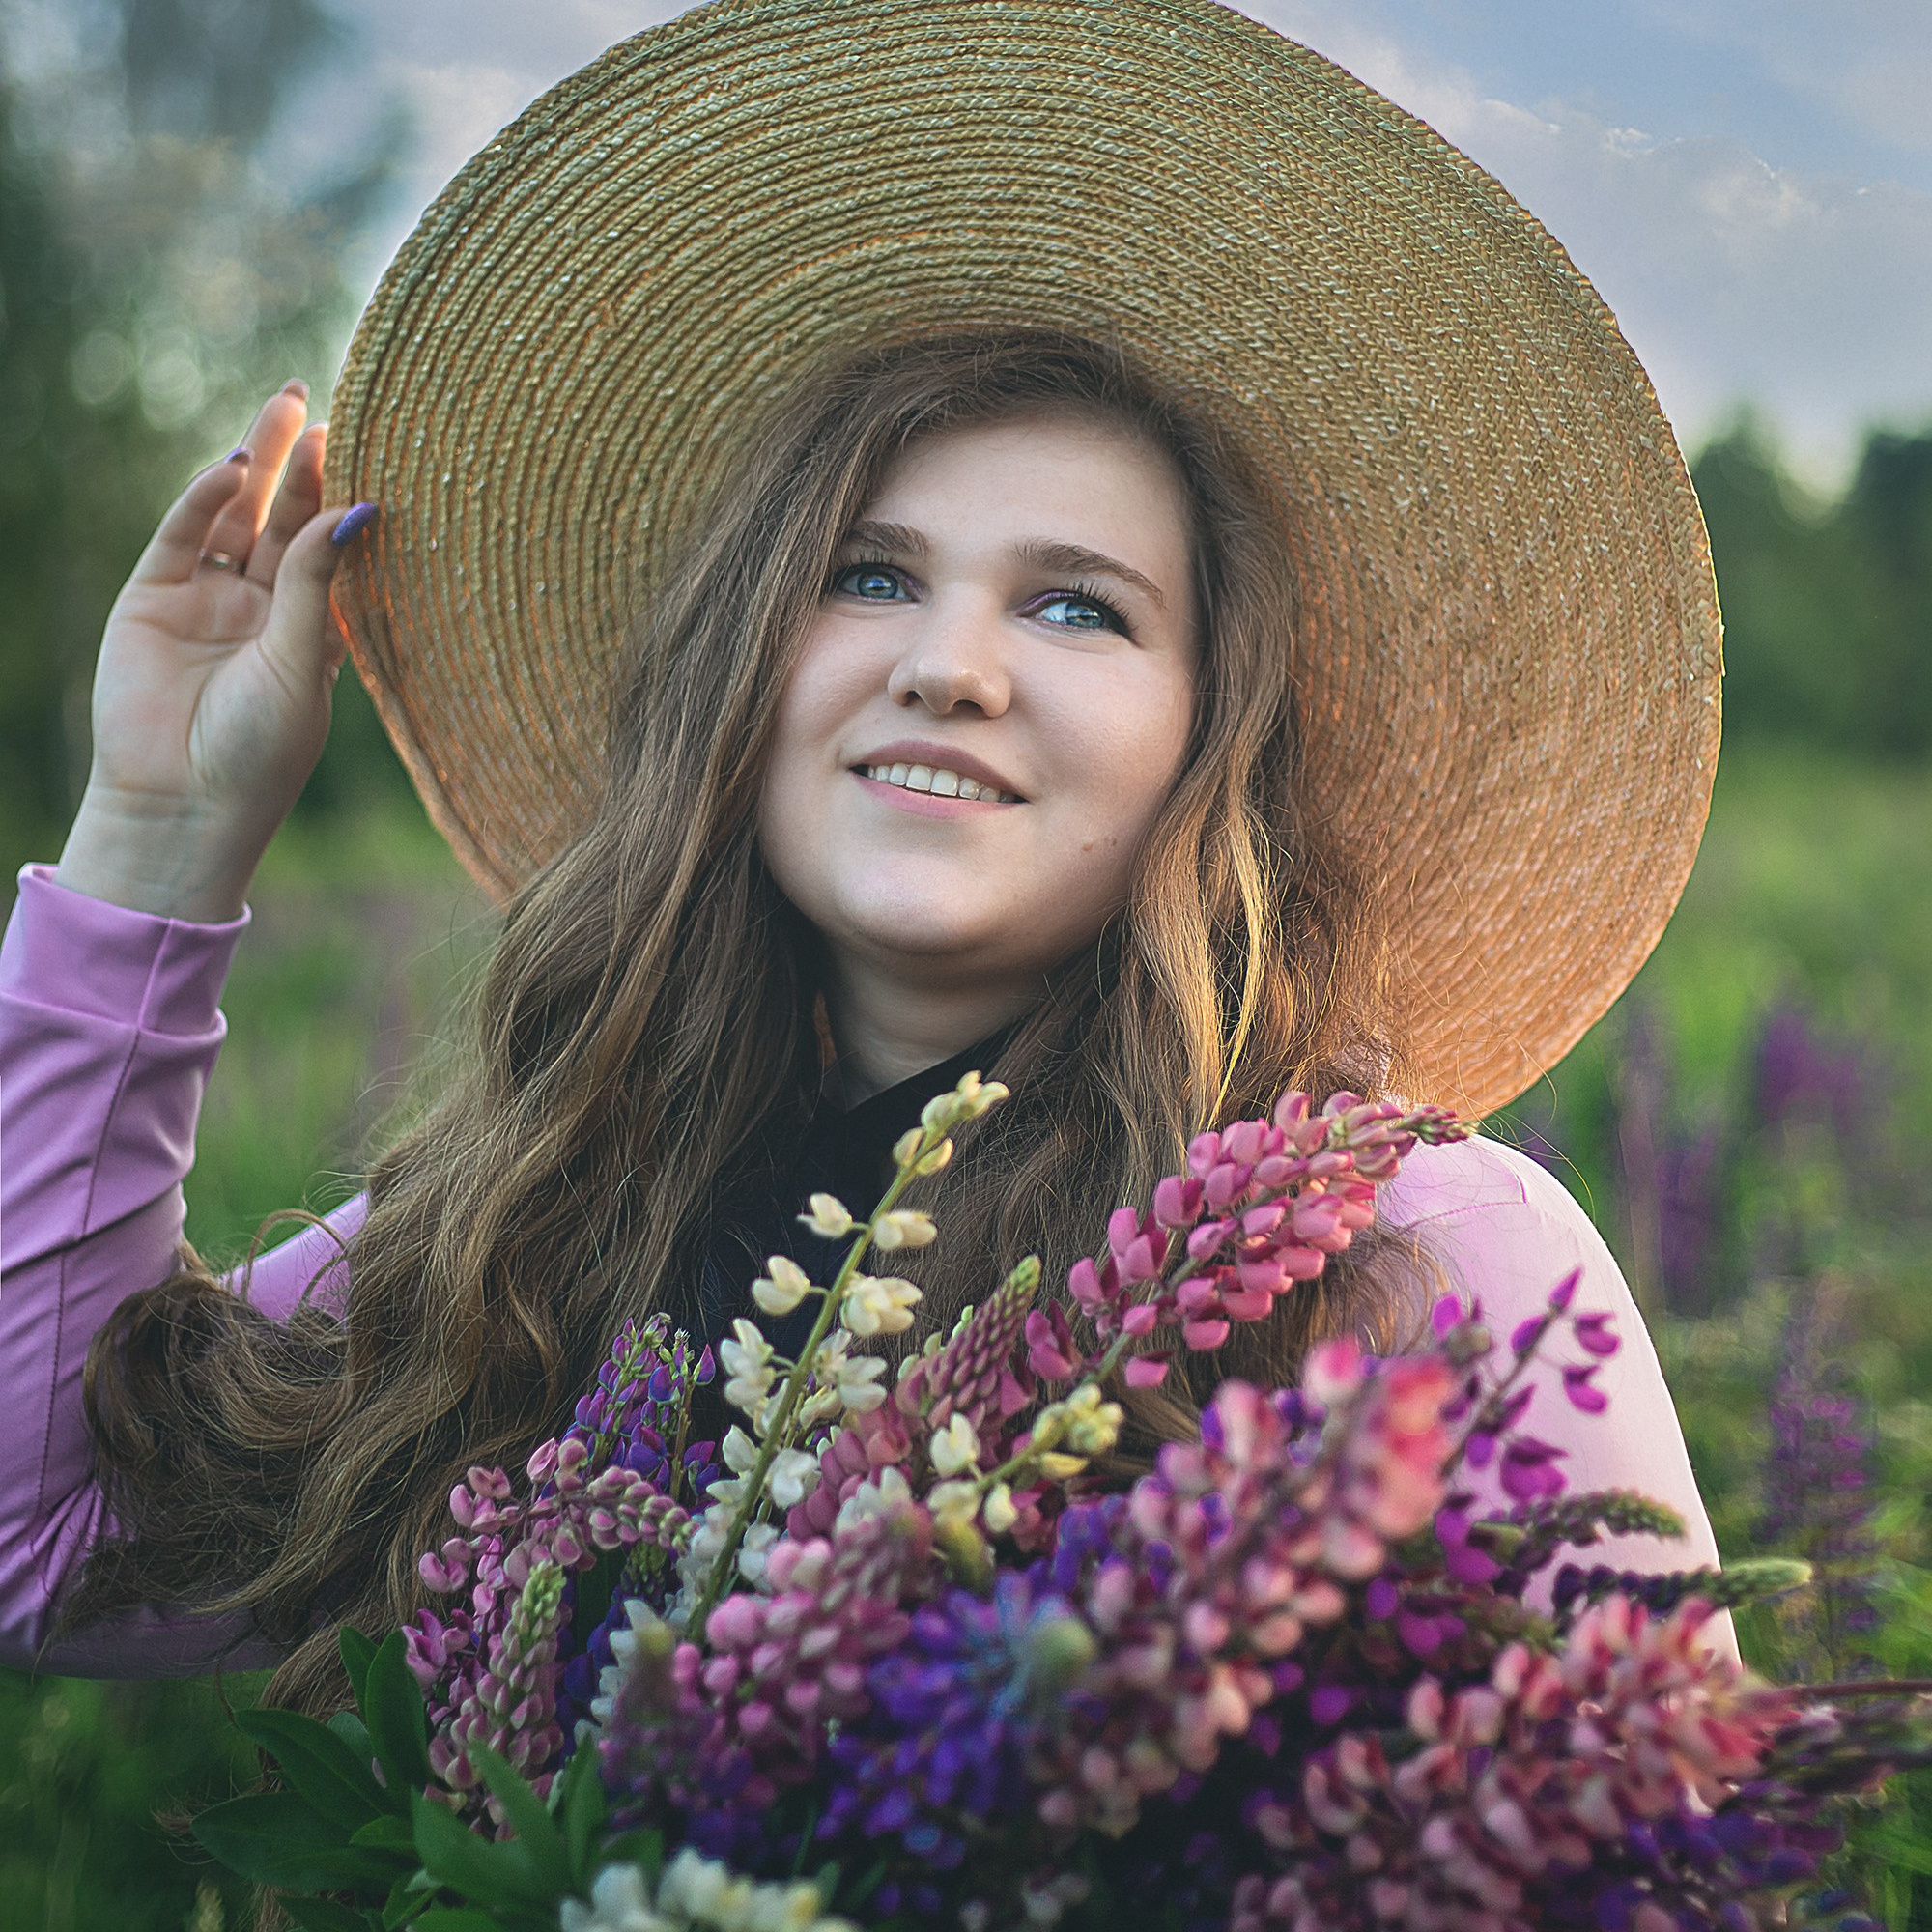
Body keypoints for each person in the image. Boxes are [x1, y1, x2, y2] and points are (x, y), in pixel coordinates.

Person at [0, 0, 1730, 1718]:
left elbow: (1652, 1856)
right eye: (870, 573)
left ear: (1209, 739)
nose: (951, 664)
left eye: (1076, 604)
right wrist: (161, 832)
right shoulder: (542, 1225)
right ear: (741, 663)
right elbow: (49, 1544)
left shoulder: (1405, 1248)